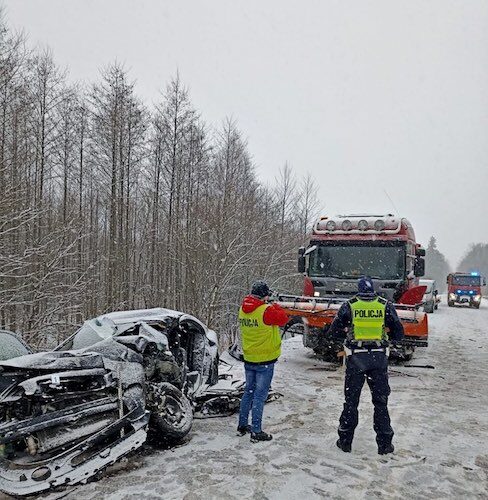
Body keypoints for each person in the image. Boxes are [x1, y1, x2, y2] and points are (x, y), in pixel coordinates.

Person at [328, 276, 404, 454]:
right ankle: (385, 445)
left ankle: (345, 441)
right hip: (378, 358)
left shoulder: (350, 305)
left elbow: (334, 332)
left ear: (358, 289)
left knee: (351, 402)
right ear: (373, 290)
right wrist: (387, 333)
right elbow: (399, 333)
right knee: (381, 403)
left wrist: (347, 331)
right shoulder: (384, 305)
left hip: (356, 358)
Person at [237, 280, 288, 442]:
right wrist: (276, 306)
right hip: (265, 359)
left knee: (248, 392)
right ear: (265, 295)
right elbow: (283, 319)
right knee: (260, 395)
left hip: (249, 357)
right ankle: (257, 430)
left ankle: (242, 425)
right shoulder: (266, 310)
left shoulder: (243, 309)